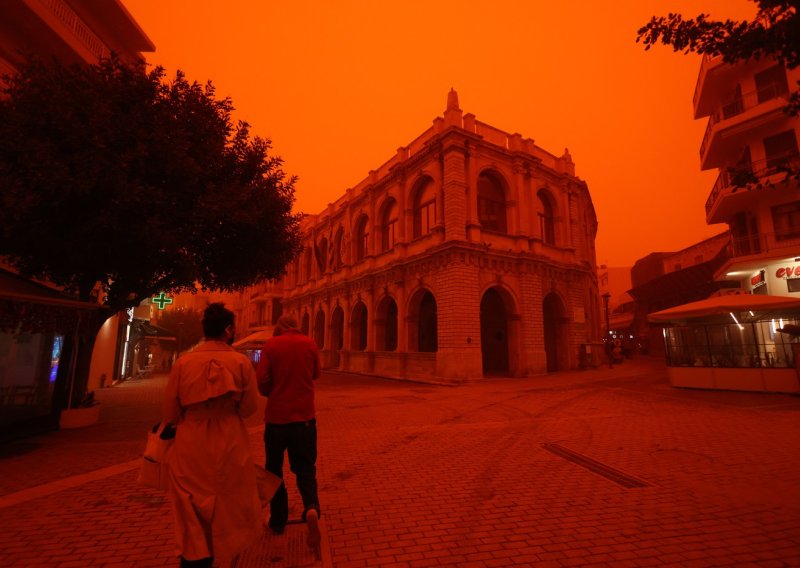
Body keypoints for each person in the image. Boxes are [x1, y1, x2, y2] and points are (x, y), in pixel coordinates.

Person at [163, 303, 263, 568]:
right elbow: (250, 409)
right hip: (230, 439)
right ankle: (224, 556)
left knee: (190, 507)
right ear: (228, 330)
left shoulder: (183, 363)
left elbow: (171, 412)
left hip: (191, 442)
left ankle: (195, 557)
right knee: (227, 504)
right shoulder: (241, 362)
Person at [256, 314, 322, 552]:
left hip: (277, 419)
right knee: (305, 468)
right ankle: (311, 507)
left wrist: (272, 391)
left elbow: (261, 380)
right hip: (304, 418)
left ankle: (278, 520)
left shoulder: (271, 345)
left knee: (273, 470)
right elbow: (316, 373)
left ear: (279, 327)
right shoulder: (309, 342)